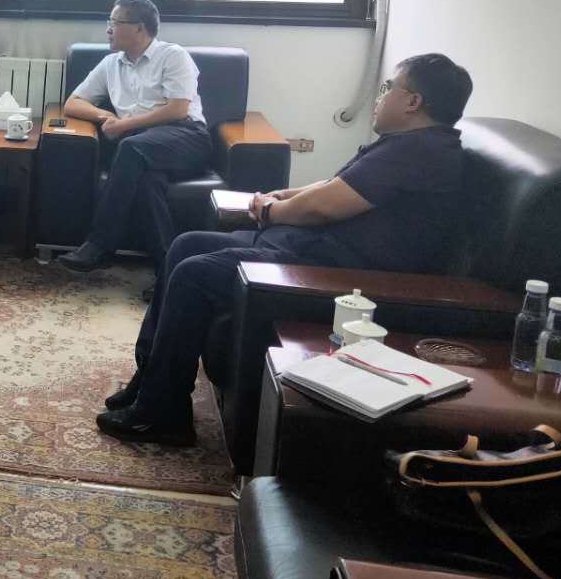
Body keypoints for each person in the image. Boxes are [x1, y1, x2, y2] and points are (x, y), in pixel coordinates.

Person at [95, 53, 474, 446]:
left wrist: (272, 211)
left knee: (194, 273)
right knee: (186, 244)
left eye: (388, 87)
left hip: (336, 272)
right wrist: (284, 195)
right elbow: (337, 186)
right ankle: (151, 378)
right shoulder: (410, 145)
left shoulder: (419, 152)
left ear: (413, 101)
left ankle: (163, 414)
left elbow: (324, 207)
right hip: (313, 250)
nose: (380, 97)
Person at [57, 0, 211, 282]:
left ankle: (99, 245)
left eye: (114, 23)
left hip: (187, 137)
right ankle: (169, 273)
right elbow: (73, 103)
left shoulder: (172, 55)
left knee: (131, 147)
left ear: (139, 28)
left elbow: (178, 109)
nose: (108, 29)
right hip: (143, 146)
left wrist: (124, 125)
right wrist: (105, 116)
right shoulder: (110, 63)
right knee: (147, 182)